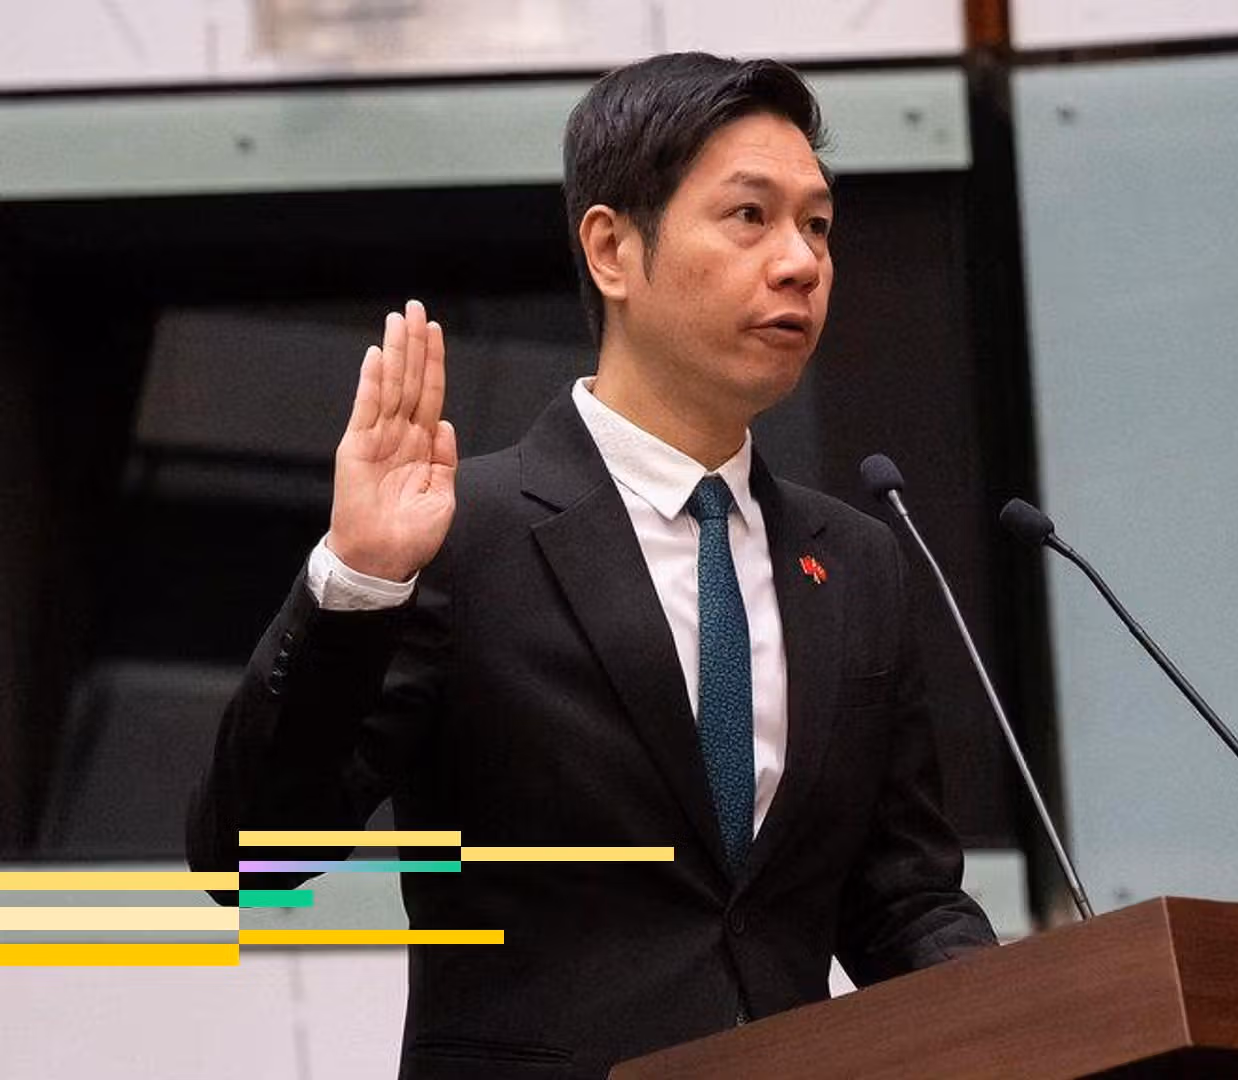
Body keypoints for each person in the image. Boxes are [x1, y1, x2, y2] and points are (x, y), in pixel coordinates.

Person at [187, 52, 997, 1080]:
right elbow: (252, 860)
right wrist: (357, 583)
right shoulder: (461, 534)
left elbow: (903, 899)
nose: (800, 261)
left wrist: (1037, 1014)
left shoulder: (857, 561)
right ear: (612, 249)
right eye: (750, 216)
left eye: (819, 225)